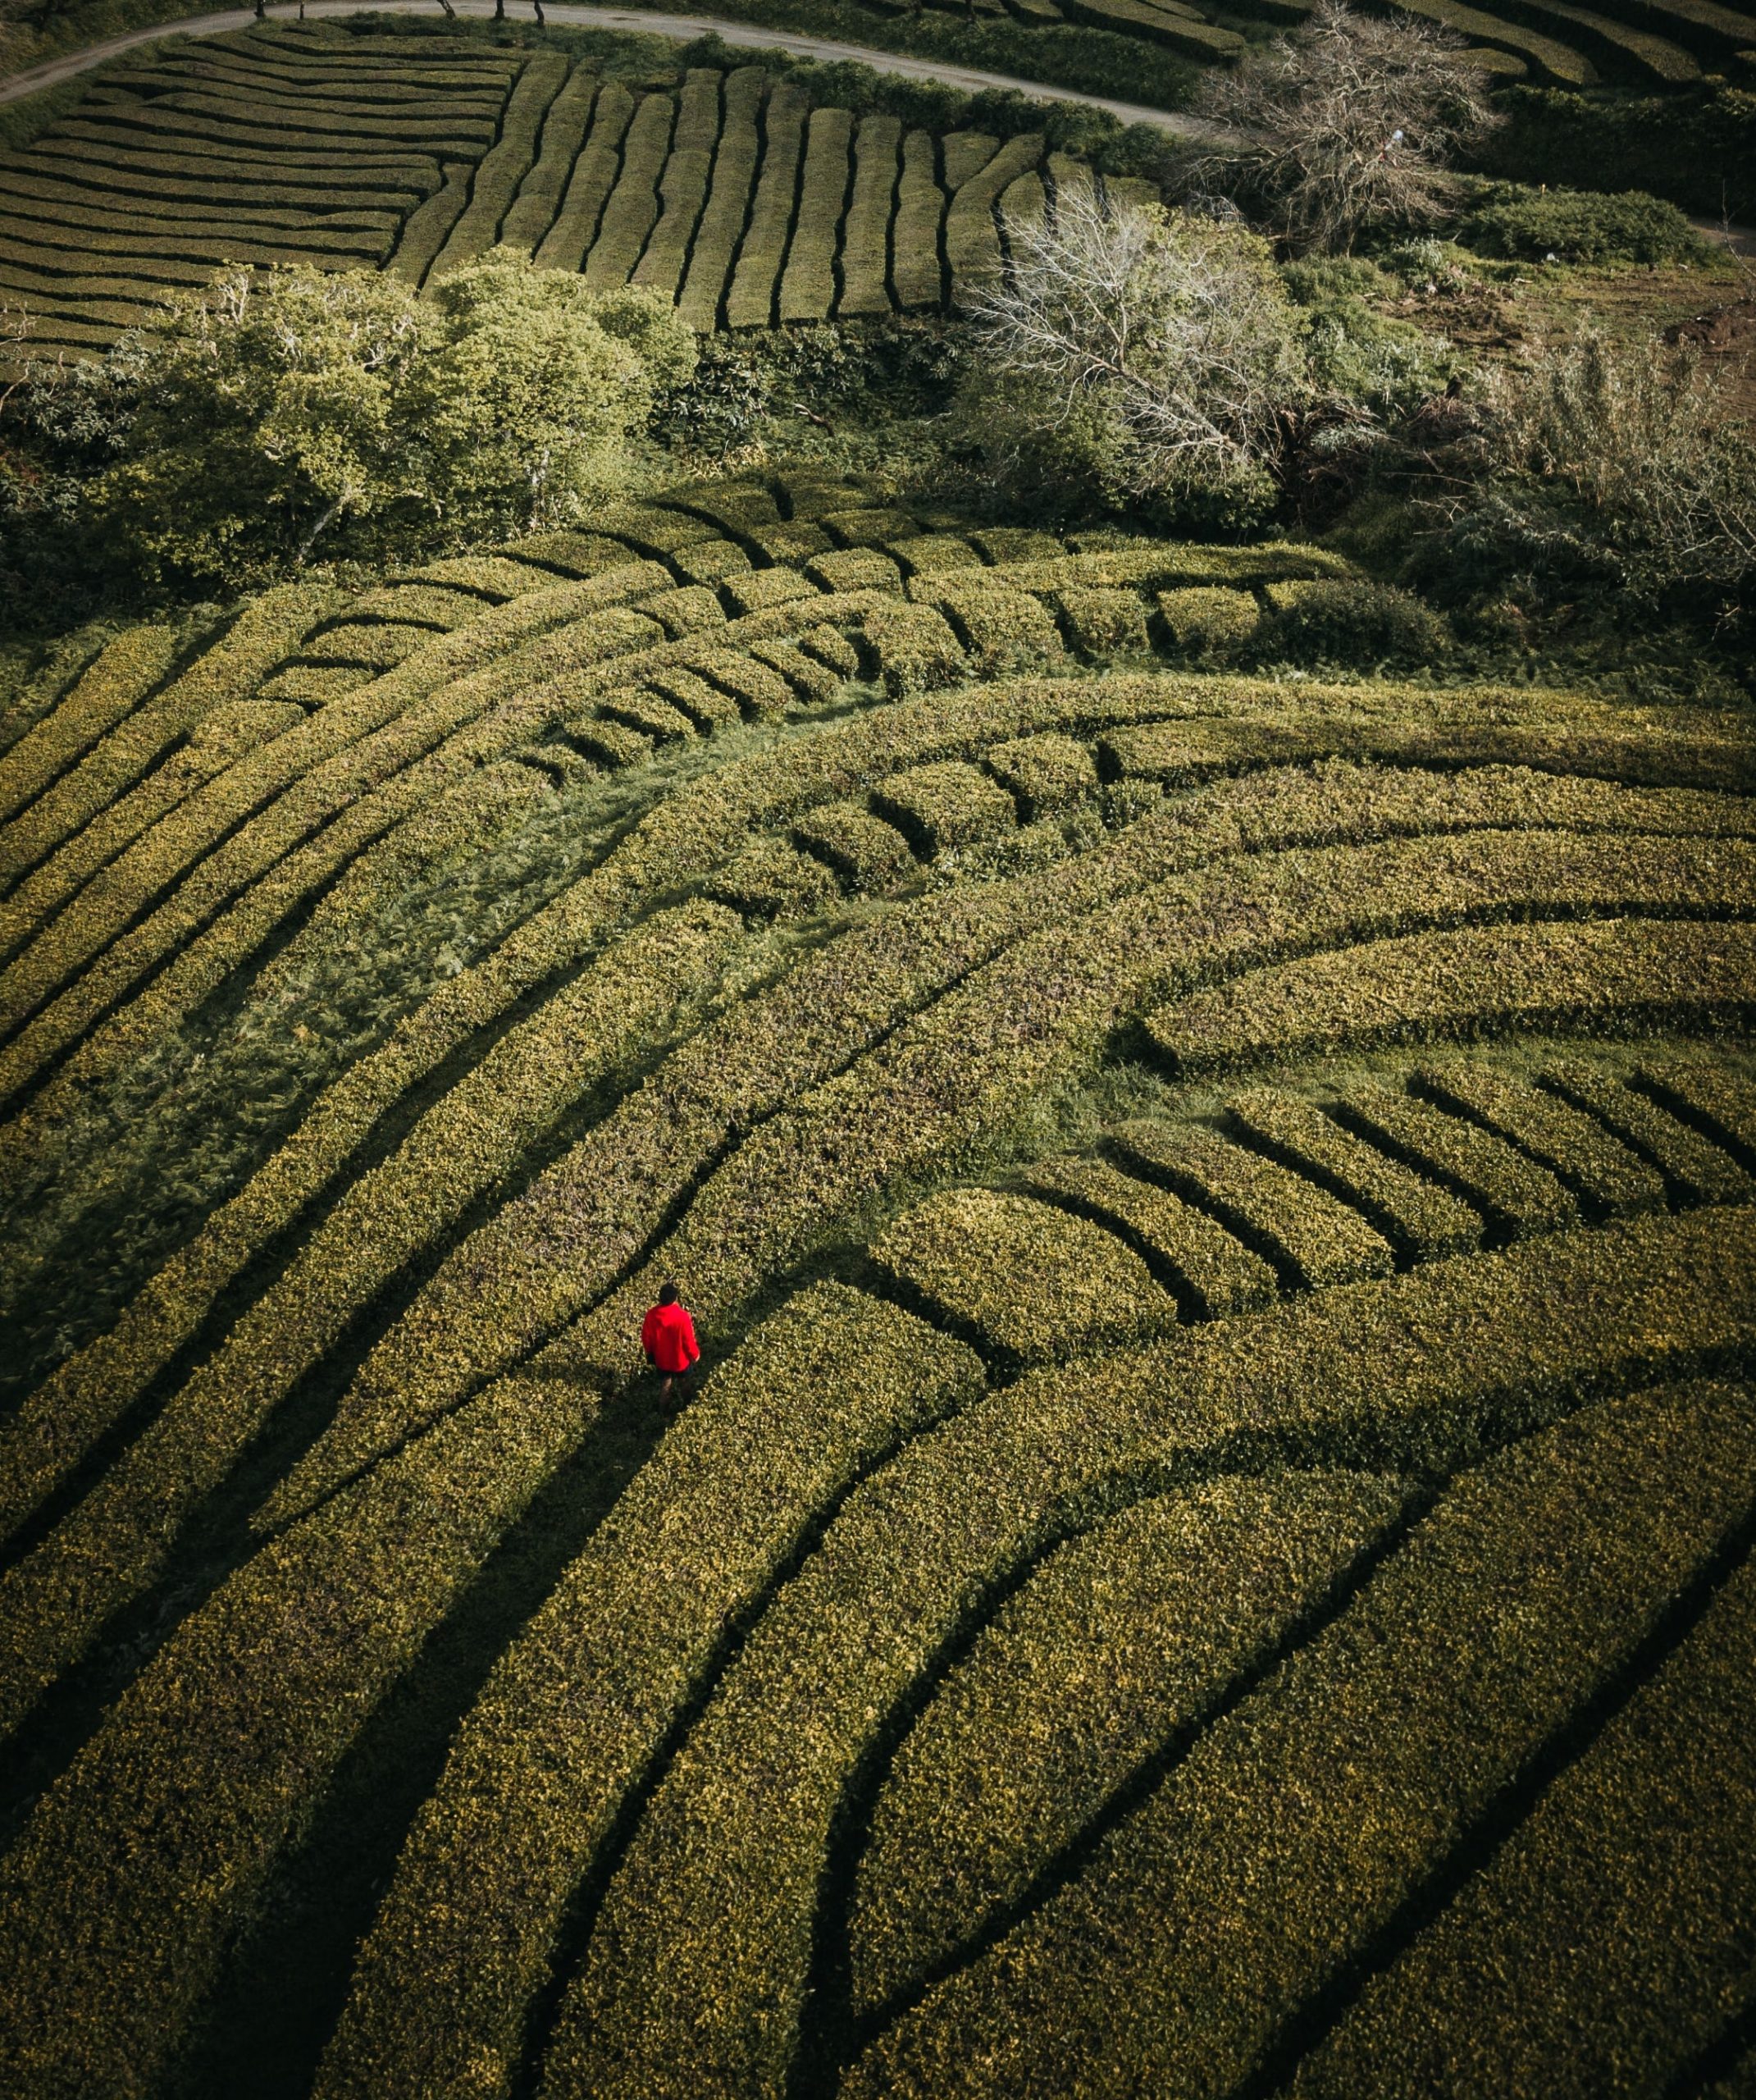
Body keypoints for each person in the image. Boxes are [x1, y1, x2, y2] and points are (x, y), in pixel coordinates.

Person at [640, 1282, 700, 1404]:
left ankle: (663, 1412)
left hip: (661, 1359)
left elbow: (646, 1337)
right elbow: (688, 1340)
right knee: (684, 1383)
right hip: (680, 1360)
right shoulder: (682, 1317)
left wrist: (650, 1352)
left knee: (665, 1384)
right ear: (675, 1299)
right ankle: (687, 1405)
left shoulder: (651, 1315)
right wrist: (695, 1354)